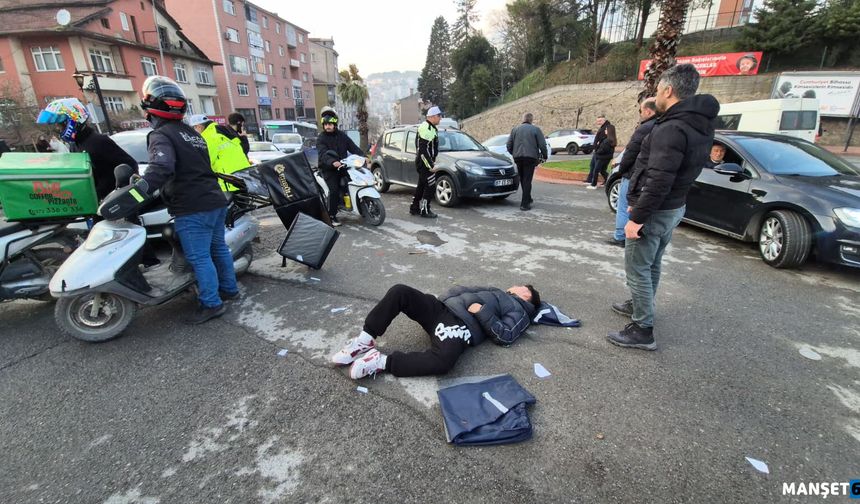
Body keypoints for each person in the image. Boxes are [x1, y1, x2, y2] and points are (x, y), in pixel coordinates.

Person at [608, 63, 719, 351]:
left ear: (668, 90)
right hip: (673, 207)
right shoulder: (699, 123)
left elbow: (658, 179)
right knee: (652, 263)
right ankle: (640, 305)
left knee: (638, 268)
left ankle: (642, 328)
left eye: (658, 89)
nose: (656, 95)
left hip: (656, 210)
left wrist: (637, 217)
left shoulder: (672, 128)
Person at [138, 75, 238, 325]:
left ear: (150, 110)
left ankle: (211, 304)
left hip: (192, 205)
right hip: (214, 200)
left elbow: (161, 167)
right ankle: (230, 289)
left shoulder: (160, 135)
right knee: (218, 249)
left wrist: (139, 190)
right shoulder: (192, 134)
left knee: (200, 257)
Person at [332, 283, 541, 379]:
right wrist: (447, 297)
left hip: (460, 326)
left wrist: (482, 311)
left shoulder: (520, 310)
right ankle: (364, 340)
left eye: (525, 289)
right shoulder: (495, 290)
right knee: (400, 292)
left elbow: (506, 335)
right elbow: (464, 290)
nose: (518, 287)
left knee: (444, 361)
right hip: (441, 308)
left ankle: (380, 362)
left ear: (526, 296)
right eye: (521, 285)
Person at [36, 98, 138, 200]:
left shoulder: (99, 142)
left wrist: (120, 192)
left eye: (61, 124)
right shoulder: (74, 145)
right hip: (91, 204)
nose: (58, 128)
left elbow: (130, 165)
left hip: (112, 204)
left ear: (73, 119)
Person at [608, 98, 657, 247]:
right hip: (650, 175)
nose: (640, 114)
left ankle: (620, 237)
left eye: (641, 111)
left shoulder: (644, 127)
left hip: (634, 173)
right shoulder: (663, 126)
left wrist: (621, 170)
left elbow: (631, 152)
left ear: (648, 111)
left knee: (623, 207)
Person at [316, 106, 365, 226]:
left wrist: (363, 156)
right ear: (323, 125)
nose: (328, 126)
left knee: (356, 181)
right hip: (329, 169)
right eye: (326, 124)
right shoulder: (321, 138)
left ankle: (360, 205)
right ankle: (332, 216)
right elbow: (323, 154)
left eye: (330, 124)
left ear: (335, 124)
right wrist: (332, 162)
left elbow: (352, 147)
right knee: (334, 190)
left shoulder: (342, 136)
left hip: (343, 166)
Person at [188, 114, 250, 192]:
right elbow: (243, 149)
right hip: (244, 176)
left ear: (198, 127)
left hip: (229, 181)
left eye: (193, 128)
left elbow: (207, 161)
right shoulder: (224, 129)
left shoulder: (207, 137)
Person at [506, 112, 548, 211]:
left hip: (518, 158)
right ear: (531, 120)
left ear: (523, 119)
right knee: (527, 180)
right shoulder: (536, 129)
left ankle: (528, 198)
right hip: (530, 157)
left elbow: (508, 145)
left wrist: (514, 153)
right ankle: (524, 204)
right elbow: (542, 145)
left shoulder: (515, 129)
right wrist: (544, 156)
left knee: (523, 179)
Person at [411, 106, 443, 218]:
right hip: (424, 164)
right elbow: (423, 150)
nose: (440, 118)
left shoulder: (430, 127)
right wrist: (430, 165)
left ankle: (414, 208)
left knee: (421, 186)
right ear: (433, 116)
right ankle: (425, 210)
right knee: (430, 187)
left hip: (423, 162)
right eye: (439, 116)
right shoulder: (427, 128)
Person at [586, 115, 616, 189]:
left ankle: (593, 184)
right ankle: (608, 180)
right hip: (604, 156)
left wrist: (598, 150)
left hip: (602, 156)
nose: (605, 130)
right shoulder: (610, 139)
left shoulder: (607, 140)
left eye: (600, 120)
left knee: (596, 170)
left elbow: (603, 149)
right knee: (602, 170)